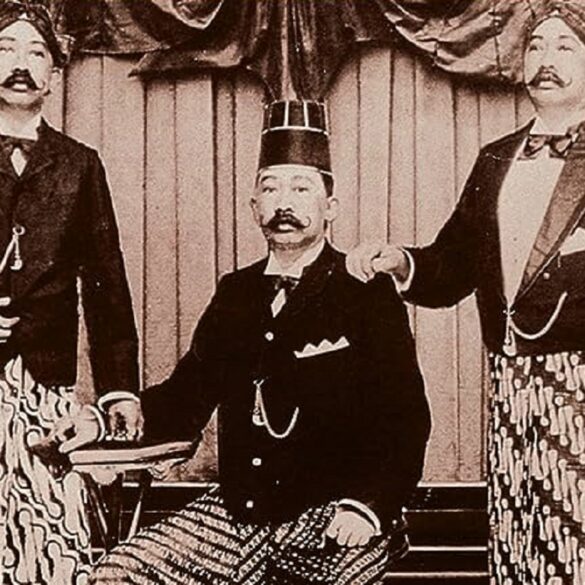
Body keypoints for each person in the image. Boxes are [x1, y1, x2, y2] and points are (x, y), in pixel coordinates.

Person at [79, 99, 431, 584]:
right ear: (254, 207)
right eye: (270, 188)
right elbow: (185, 398)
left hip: (338, 513)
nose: (284, 203)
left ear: (330, 207)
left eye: (301, 188)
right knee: (117, 574)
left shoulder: (366, 292)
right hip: (241, 512)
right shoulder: (236, 293)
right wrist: (104, 417)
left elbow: (406, 420)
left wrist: (369, 506)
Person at [347, 2, 585, 583]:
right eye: (535, 46)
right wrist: (401, 261)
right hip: (510, 383)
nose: (545, 59)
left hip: (580, 379)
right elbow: (452, 267)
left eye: (564, 47)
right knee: (519, 530)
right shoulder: (495, 157)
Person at [0, 1, 143, 583]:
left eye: (37, 53)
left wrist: (119, 391)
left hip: (45, 390)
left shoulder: (79, 165)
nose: (21, 64)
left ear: (55, 75)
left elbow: (107, 287)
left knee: (49, 548)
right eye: (5, 49)